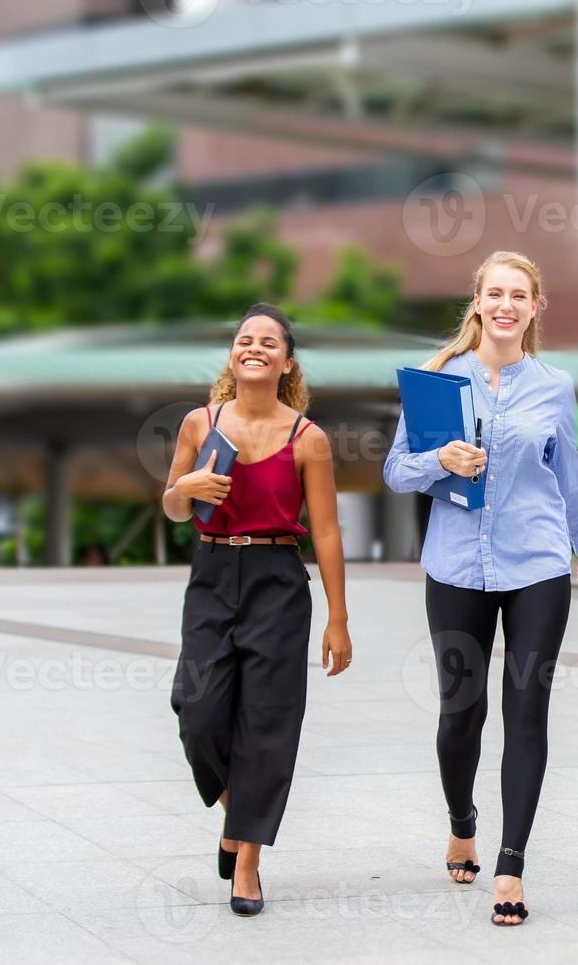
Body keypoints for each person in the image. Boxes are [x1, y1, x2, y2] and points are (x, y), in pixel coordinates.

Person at [383, 250, 578, 927]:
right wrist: (437, 459)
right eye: (494, 294)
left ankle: (510, 864)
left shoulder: (554, 386)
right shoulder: (436, 381)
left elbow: (568, 472)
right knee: (461, 711)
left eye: (519, 295)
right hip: (454, 565)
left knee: (526, 709)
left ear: (534, 308)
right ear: (476, 303)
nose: (505, 305)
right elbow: (396, 472)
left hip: (535, 562)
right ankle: (461, 820)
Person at [162, 303, 354, 917]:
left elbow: (324, 532)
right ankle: (235, 816)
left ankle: (248, 861)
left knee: (267, 724)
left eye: (269, 342)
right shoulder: (200, 423)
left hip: (277, 578)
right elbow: (172, 506)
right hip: (213, 575)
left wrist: (338, 618)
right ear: (232, 357)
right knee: (197, 712)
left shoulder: (309, 439)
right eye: (245, 339)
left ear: (286, 363)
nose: (255, 347)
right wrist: (183, 490)